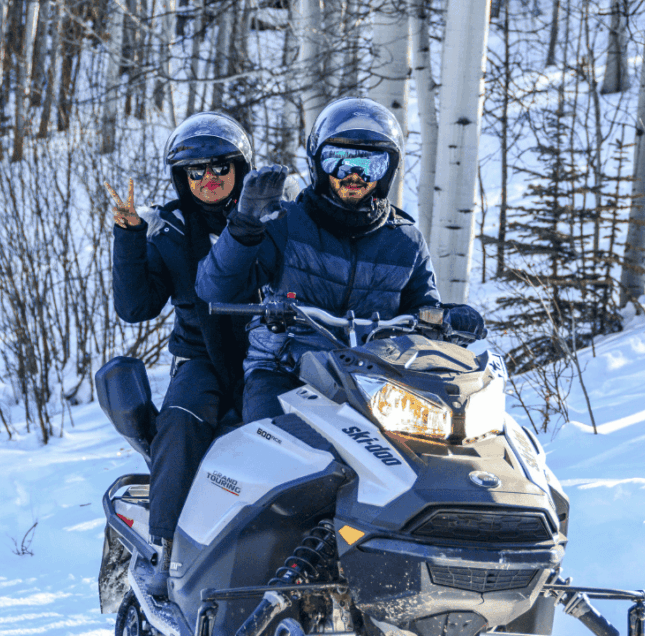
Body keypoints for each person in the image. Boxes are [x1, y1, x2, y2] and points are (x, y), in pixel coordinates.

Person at [196, 97, 486, 423]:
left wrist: (449, 319)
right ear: (319, 165)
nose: (355, 175)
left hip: (376, 378)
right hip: (285, 368)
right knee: (273, 437)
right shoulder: (285, 222)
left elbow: (423, 315)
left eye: (370, 164)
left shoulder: (405, 242)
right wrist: (244, 226)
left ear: (388, 170)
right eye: (340, 162)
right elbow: (214, 289)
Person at [106, 111, 257, 598]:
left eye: (220, 167)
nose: (209, 178)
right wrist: (130, 235)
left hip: (271, 355)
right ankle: (165, 547)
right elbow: (136, 307)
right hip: (201, 356)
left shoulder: (269, 217)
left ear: (240, 168)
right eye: (196, 170)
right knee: (182, 419)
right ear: (181, 176)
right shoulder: (168, 227)